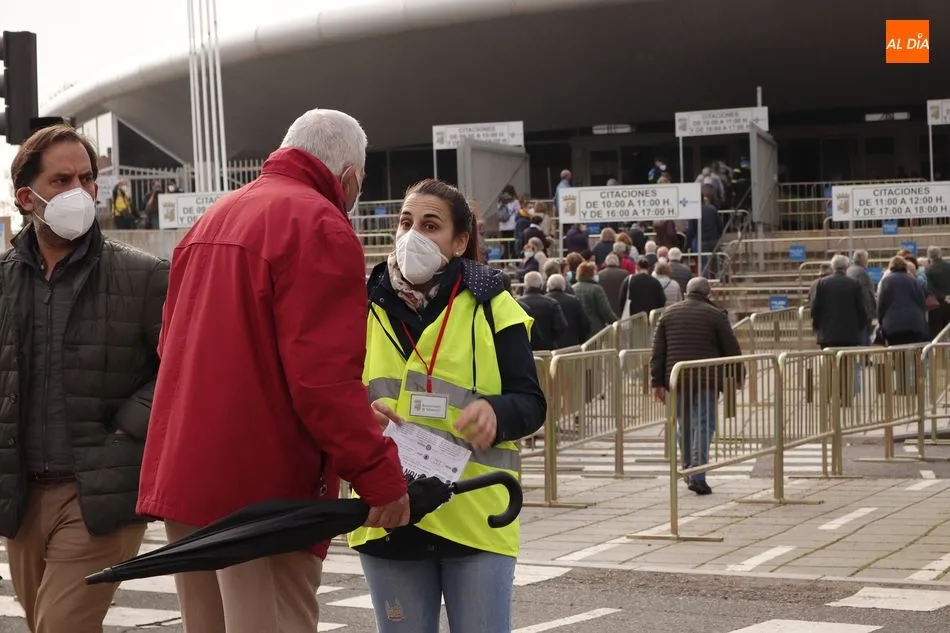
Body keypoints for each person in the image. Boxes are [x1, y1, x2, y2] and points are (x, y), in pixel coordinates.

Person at [137, 109, 410, 632]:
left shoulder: (212, 218)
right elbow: (322, 379)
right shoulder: (320, 224)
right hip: (264, 490)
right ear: (349, 176)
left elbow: (171, 346)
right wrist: (379, 475)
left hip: (188, 478)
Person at [350, 178, 546, 633]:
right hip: (389, 510)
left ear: (460, 241)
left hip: (476, 513)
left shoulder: (492, 302)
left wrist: (497, 413)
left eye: (430, 225)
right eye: (405, 222)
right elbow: (332, 394)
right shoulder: (362, 306)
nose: (412, 234)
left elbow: (531, 403)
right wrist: (360, 412)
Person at [5, 124, 169, 632]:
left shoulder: (144, 276)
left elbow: (179, 367)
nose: (79, 191)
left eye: (86, 178)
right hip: (21, 497)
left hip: (99, 492)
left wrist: (126, 429)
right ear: (27, 197)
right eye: (61, 180)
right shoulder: (4, 279)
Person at [650, 278, 743, 495]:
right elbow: (731, 348)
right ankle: (698, 474)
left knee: (685, 425)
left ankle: (688, 468)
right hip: (706, 379)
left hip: (678, 378)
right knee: (704, 424)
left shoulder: (668, 313)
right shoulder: (715, 315)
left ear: (686, 291)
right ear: (707, 293)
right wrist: (739, 376)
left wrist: (656, 382)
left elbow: (658, 351)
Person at [811, 254, 869, 348]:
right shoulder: (854, 284)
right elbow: (861, 309)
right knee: (847, 362)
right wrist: (859, 327)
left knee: (829, 362)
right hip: (849, 335)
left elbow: (815, 308)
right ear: (847, 267)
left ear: (832, 267)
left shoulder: (821, 283)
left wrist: (818, 327)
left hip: (827, 335)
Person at [878, 256, 928, 345]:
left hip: (893, 325)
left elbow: (881, 304)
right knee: (914, 354)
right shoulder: (914, 280)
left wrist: (881, 322)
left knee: (897, 355)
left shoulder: (886, 281)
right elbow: (922, 302)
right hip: (915, 323)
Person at [518, 271, 568, 351]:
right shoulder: (552, 303)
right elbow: (562, 326)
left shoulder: (518, 304)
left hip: (526, 350)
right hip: (548, 350)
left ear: (525, 285)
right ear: (541, 285)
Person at [572, 261, 617, 334]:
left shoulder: (573, 288)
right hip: (595, 327)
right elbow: (605, 310)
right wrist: (616, 322)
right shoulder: (597, 289)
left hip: (578, 328)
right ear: (591, 274)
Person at [546, 274, 591, 347]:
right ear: (563, 286)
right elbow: (584, 323)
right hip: (571, 346)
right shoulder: (574, 301)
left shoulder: (545, 301)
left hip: (550, 347)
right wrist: (582, 341)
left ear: (548, 285)